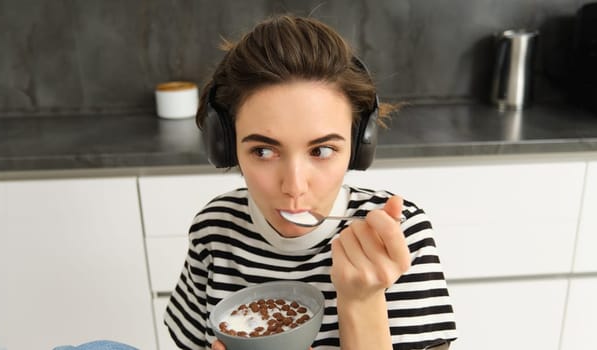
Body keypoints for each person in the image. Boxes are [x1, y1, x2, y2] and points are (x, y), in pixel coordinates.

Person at [164, 14, 457, 350]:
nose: (294, 186)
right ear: (226, 146)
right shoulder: (215, 229)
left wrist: (361, 301)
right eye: (263, 151)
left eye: (321, 150)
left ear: (359, 144)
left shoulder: (398, 236)